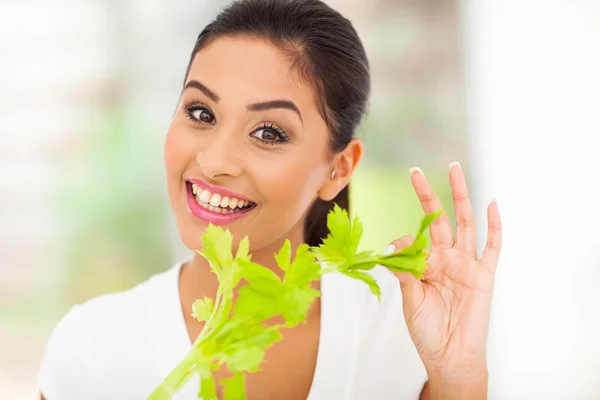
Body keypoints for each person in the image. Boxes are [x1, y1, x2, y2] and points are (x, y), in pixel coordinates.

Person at [37, 0, 502, 399]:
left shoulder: (400, 336)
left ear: (338, 169)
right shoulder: (92, 347)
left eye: (268, 132)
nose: (216, 160)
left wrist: (458, 380)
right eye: (200, 112)